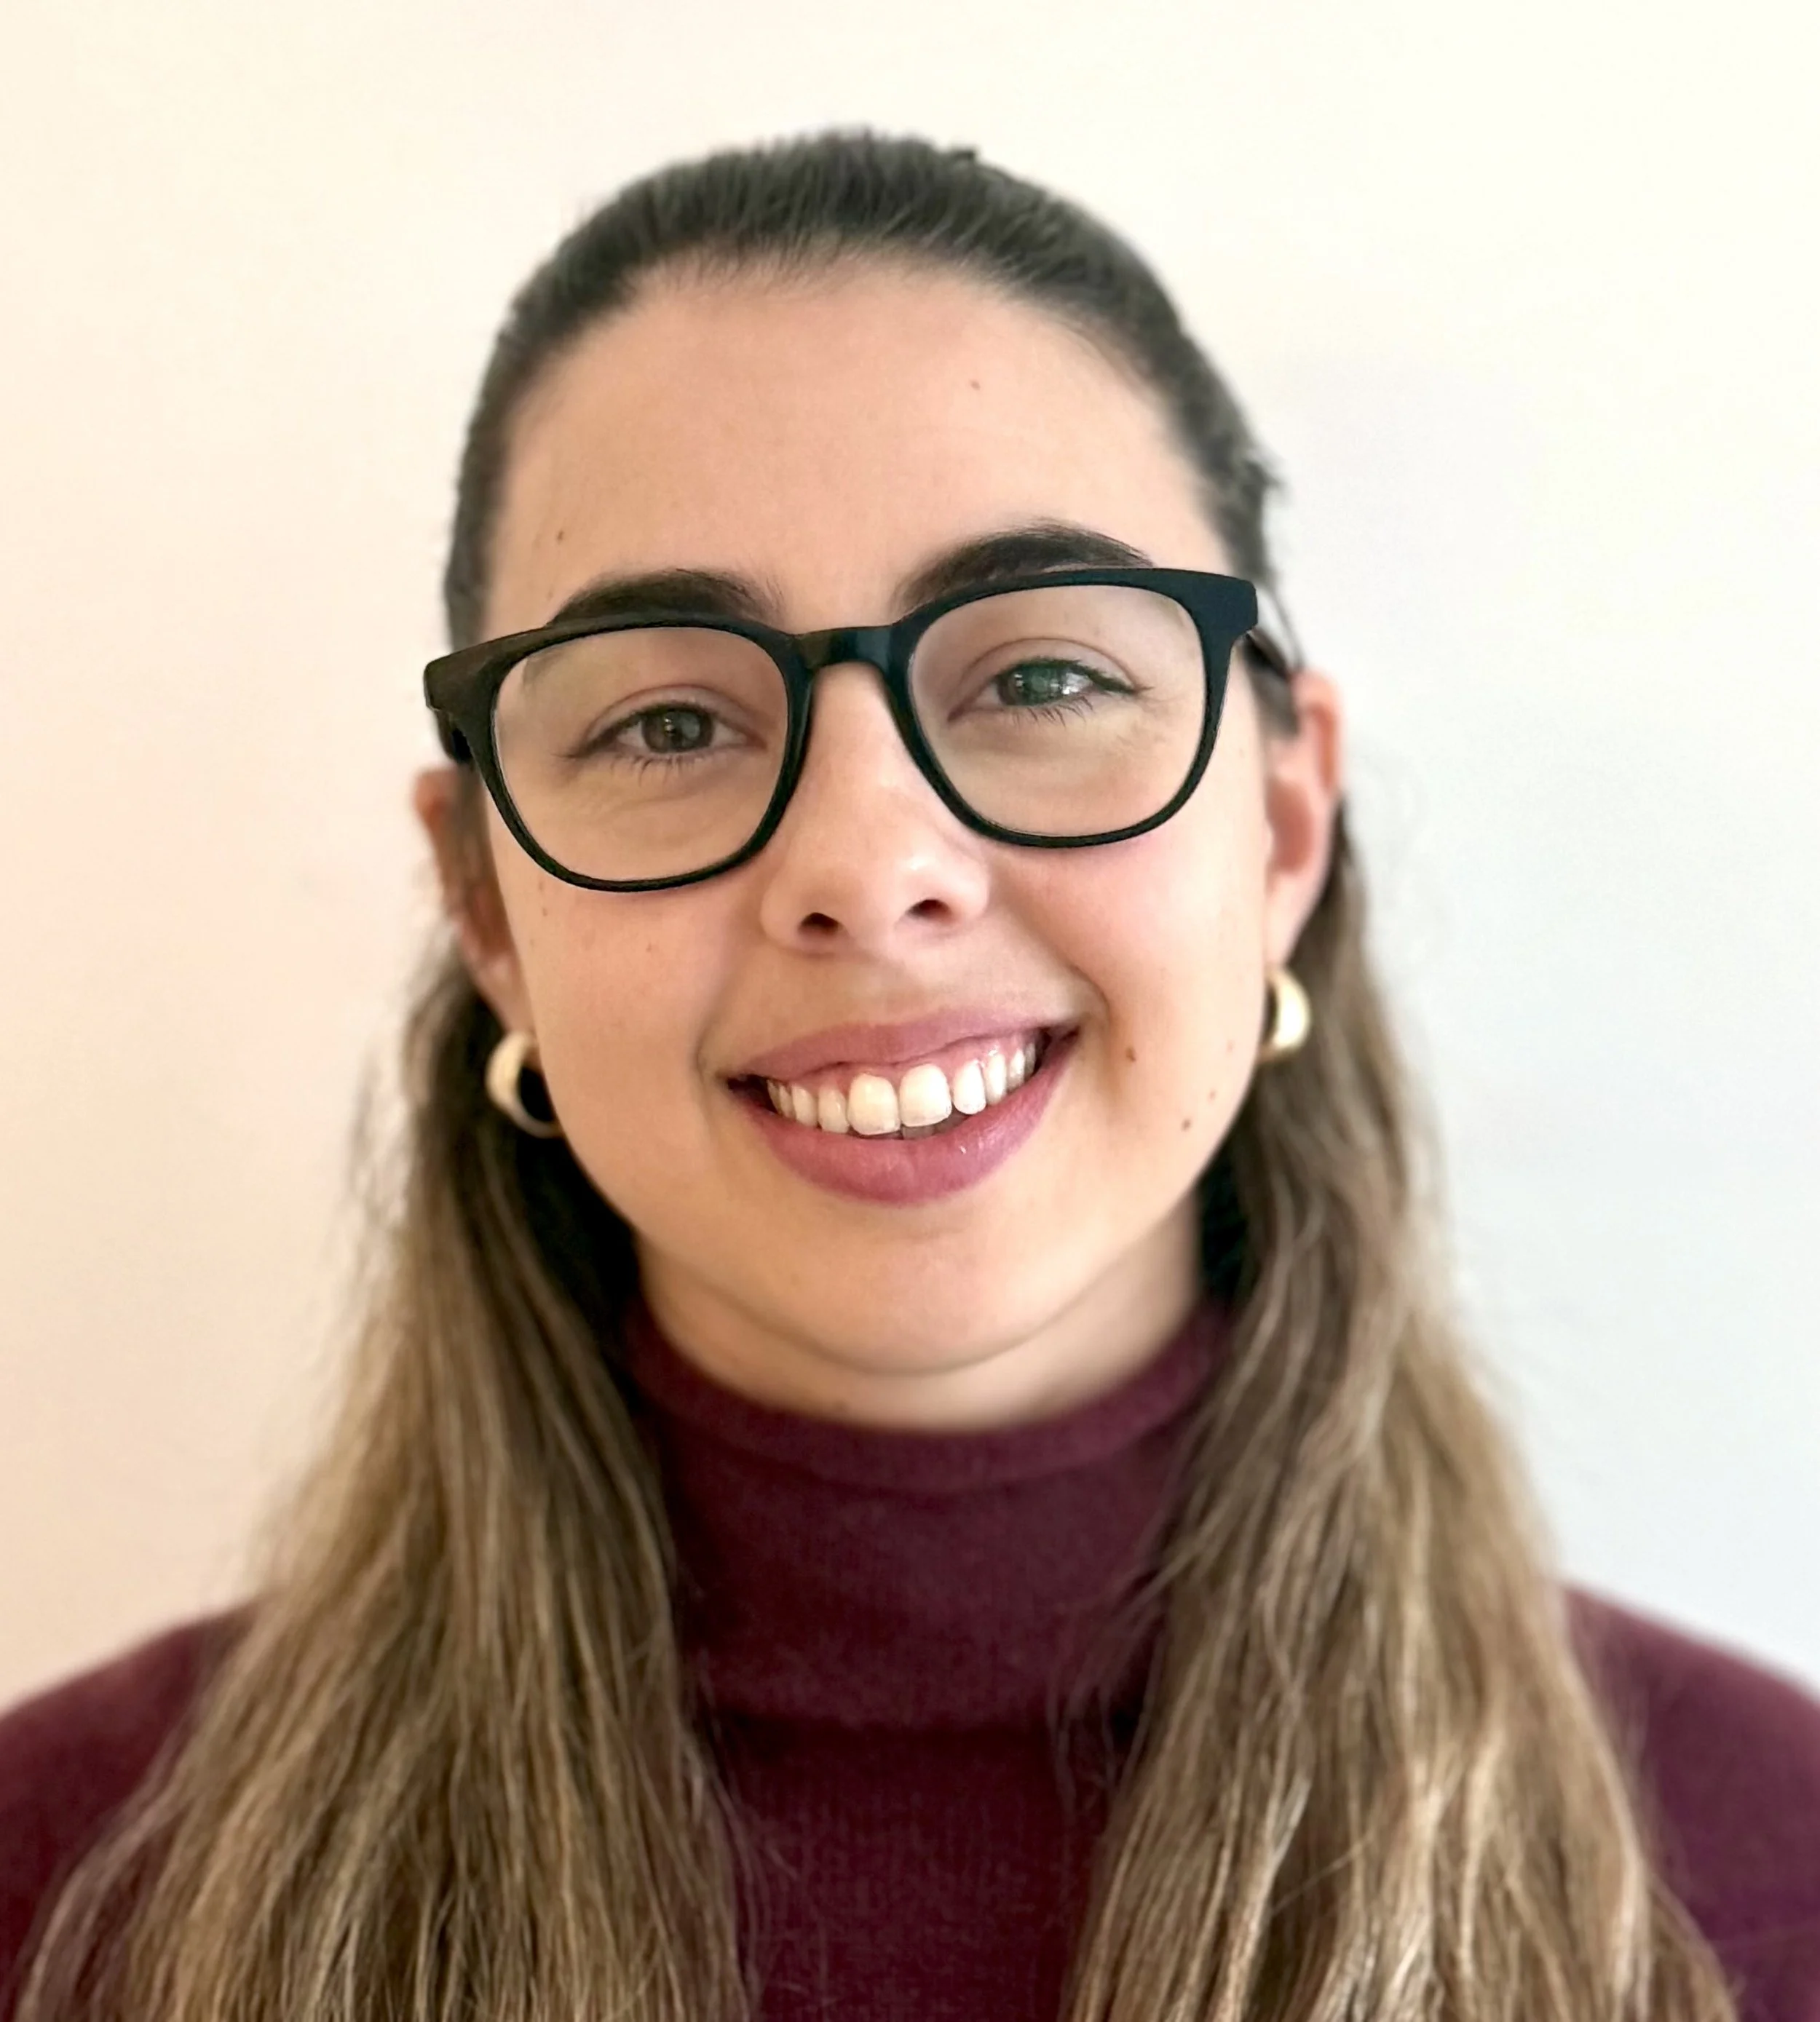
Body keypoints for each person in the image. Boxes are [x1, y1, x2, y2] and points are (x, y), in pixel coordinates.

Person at [2, 130, 1816, 2022]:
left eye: (1036, 682)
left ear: (1279, 821)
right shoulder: (61, 1894)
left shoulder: (1765, 1883)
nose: (870, 871)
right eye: (671, 716)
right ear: (485, 903)